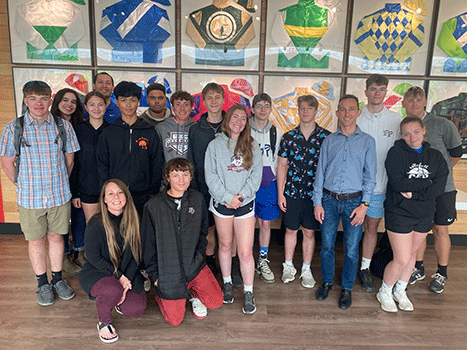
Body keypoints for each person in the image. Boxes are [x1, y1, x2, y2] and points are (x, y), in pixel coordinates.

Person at [0, 80, 80, 306]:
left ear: (50, 100)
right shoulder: (13, 128)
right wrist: (23, 184)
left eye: (43, 98)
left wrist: (60, 182)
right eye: (33, 99)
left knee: (56, 237)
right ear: (25, 101)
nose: (39, 103)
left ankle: (57, 279)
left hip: (59, 195)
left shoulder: (62, 126)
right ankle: (41, 283)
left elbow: (69, 159)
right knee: (35, 241)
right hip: (30, 198)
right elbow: (7, 163)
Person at [376, 117, 448, 312]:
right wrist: (427, 185)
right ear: (401, 135)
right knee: (401, 258)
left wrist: (413, 192)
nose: (412, 137)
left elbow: (439, 186)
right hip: (399, 212)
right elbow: (398, 184)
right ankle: (385, 290)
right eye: (406, 133)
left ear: (424, 131)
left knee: (412, 257)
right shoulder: (396, 153)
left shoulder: (435, 156)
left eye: (416, 132)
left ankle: (400, 289)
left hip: (424, 214)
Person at [142, 158, 223, 326]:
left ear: (191, 177)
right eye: (175, 175)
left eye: (185, 174)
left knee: (215, 301)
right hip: (167, 271)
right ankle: (163, 294)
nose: (181, 180)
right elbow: (147, 244)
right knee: (175, 320)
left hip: (193, 266)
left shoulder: (197, 199)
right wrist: (155, 276)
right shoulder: (153, 205)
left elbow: (203, 233)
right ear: (167, 178)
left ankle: (193, 294)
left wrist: (199, 256)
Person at [313, 95, 376, 310]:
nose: (347, 113)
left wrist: (364, 205)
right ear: (337, 113)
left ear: (358, 112)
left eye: (351, 109)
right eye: (342, 109)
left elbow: (370, 176)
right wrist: (317, 202)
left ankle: (347, 288)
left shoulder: (367, 141)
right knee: (327, 246)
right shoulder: (329, 140)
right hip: (328, 201)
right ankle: (327, 282)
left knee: (351, 249)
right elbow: (320, 172)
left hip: (354, 202)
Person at [402, 86, 463, 293]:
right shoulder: (403, 127)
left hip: (443, 189)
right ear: (404, 103)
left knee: (440, 230)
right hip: (417, 190)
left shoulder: (442, 125)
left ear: (426, 102)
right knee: (417, 230)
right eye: (410, 100)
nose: (414, 104)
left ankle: (441, 272)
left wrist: (438, 176)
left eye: (418, 100)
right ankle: (417, 268)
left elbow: (455, 153)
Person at [205, 104, 262, 314]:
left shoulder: (252, 146)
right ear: (227, 119)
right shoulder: (214, 145)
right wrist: (228, 198)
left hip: (244, 205)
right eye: (235, 117)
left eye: (243, 118)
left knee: (245, 252)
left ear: (247, 123)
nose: (238, 121)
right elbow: (210, 176)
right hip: (222, 204)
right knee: (226, 245)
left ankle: (248, 291)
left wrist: (240, 197)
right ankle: (227, 283)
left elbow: (256, 177)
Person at [187, 82, 243, 285]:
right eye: (208, 97)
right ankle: (210, 263)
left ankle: (234, 265)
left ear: (223, 99)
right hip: (203, 188)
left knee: (233, 230)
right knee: (209, 229)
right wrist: (193, 191)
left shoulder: (233, 126)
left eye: (217, 97)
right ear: (203, 101)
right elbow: (191, 160)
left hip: (230, 190)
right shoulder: (195, 129)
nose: (213, 101)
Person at [79, 179, 147, 343]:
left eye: (120, 192)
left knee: (136, 308)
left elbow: (137, 255)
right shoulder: (95, 223)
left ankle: (116, 296)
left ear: (126, 196)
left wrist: (126, 279)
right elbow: (94, 257)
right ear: (104, 199)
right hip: (99, 271)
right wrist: (119, 277)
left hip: (127, 271)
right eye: (110, 193)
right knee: (112, 289)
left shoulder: (135, 219)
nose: (116, 196)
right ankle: (104, 323)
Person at [277, 95, 330, 288]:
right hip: (292, 192)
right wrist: (280, 193)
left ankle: (306, 269)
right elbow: (281, 166)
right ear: (298, 111)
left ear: (316, 111)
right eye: (302, 108)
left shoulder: (327, 137)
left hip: (315, 195)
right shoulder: (289, 137)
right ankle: (288, 265)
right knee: (290, 230)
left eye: (309, 108)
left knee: (309, 232)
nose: (305, 111)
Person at [357, 74, 402, 293]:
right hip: (354, 187)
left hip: (380, 186)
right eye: (373, 89)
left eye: (381, 89)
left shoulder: (395, 120)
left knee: (371, 227)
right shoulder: (355, 116)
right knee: (352, 228)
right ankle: (350, 264)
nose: (377, 93)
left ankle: (365, 267)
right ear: (366, 92)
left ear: (386, 92)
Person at [96, 81, 164, 216]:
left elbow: (156, 164)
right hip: (116, 198)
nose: (128, 105)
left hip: (143, 197)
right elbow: (102, 166)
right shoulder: (108, 133)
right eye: (123, 100)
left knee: (142, 235)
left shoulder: (149, 131)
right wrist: (107, 194)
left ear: (138, 101)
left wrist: (152, 193)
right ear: (117, 102)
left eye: (132, 100)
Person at [51, 88, 87, 275]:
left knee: (79, 215)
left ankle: (79, 252)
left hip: (76, 178)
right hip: (56, 182)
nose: (69, 105)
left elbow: (78, 160)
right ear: (57, 101)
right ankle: (64, 255)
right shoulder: (50, 125)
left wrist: (77, 189)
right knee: (61, 221)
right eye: (65, 100)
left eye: (73, 101)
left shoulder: (80, 126)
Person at [250, 93, 282, 283]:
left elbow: (279, 161)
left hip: (268, 184)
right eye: (259, 105)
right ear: (252, 109)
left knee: (265, 224)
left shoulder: (276, 132)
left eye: (266, 106)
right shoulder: (244, 129)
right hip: (247, 184)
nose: (262, 109)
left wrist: (275, 181)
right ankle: (243, 259)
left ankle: (262, 259)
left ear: (270, 109)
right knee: (244, 224)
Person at [71, 91, 110, 224]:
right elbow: (74, 163)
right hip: (87, 187)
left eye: (100, 104)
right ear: (86, 107)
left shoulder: (112, 130)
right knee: (93, 225)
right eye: (92, 105)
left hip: (110, 187)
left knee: (111, 224)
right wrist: (75, 193)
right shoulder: (78, 130)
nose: (96, 108)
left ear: (106, 105)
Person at [156, 90, 196, 162]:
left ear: (191, 107)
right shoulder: (161, 128)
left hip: (190, 172)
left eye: (186, 104)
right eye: (178, 104)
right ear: (172, 107)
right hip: (168, 172)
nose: (182, 108)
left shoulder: (197, 128)